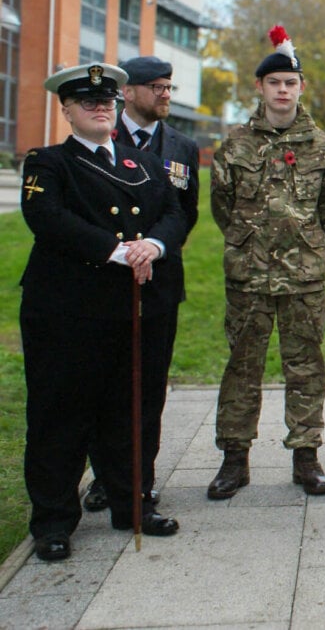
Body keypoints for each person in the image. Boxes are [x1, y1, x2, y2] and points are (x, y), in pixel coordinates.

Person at [21, 62, 182, 561]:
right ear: (66, 110)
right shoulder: (48, 162)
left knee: (132, 410)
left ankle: (131, 503)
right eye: (87, 102)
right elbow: (47, 217)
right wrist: (120, 251)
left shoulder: (143, 164)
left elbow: (174, 213)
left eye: (106, 101)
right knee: (61, 414)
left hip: (139, 310)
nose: (99, 108)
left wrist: (153, 245)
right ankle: (53, 520)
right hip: (70, 310)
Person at [207, 26, 325, 499]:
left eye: (290, 83)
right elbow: (221, 207)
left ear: (301, 88)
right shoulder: (235, 145)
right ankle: (234, 459)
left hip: (304, 279)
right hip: (248, 277)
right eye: (274, 83)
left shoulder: (322, 147)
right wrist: (250, 244)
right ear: (260, 88)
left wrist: (303, 246)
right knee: (242, 368)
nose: (283, 90)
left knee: (306, 367)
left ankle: (306, 457)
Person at [82, 55, 200, 513]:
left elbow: (185, 212)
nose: (166, 94)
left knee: (149, 387)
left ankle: (140, 478)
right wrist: (122, 253)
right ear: (127, 93)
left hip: (160, 282)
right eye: (156, 87)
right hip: (104, 281)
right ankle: (102, 478)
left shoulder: (183, 147)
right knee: (104, 383)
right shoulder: (98, 136)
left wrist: (156, 248)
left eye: (169, 87)